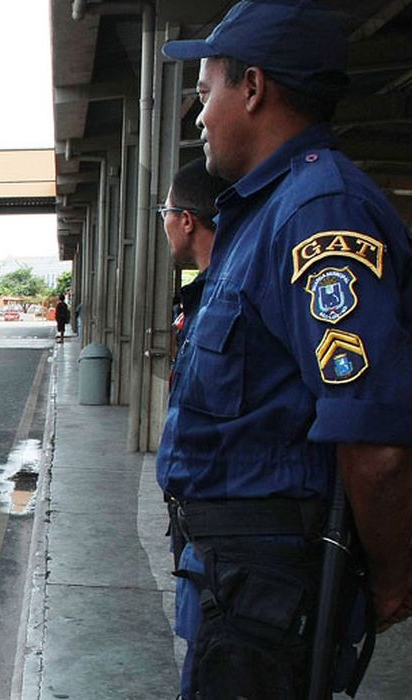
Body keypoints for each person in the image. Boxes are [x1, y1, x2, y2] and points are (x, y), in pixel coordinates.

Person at [160, 2, 412, 697]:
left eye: (206, 93)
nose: (201, 115)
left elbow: (376, 438)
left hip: (270, 588)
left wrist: (392, 579)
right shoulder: (263, 213)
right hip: (234, 582)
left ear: (254, 87)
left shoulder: (317, 215)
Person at [161, 158, 229, 357]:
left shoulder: (227, 295)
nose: (164, 223)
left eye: (165, 212)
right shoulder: (208, 293)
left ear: (186, 221)